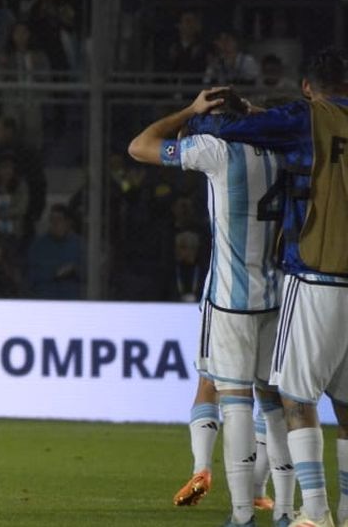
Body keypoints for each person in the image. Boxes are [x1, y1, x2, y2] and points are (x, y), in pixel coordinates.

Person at [193, 48, 348, 527]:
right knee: (345, 402)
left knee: (296, 398)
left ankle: (314, 513)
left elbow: (228, 131)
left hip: (316, 273)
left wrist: (219, 114)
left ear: (307, 86)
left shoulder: (306, 118)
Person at [128, 87, 296, 526]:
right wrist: (259, 111)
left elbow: (139, 147)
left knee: (234, 400)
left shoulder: (215, 152)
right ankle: (284, 511)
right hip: (279, 297)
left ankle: (241, 516)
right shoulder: (288, 153)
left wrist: (189, 109)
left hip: (230, 299)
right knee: (276, 404)